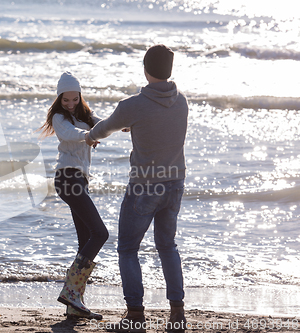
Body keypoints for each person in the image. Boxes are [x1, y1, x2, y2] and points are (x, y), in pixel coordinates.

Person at [86, 45, 188, 332]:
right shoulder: (181, 102)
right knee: (167, 246)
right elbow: (161, 129)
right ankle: (177, 314)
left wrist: (89, 137)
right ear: (170, 70)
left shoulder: (133, 105)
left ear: (145, 69)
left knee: (128, 249)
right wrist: (134, 125)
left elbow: (104, 128)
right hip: (175, 182)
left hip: (145, 185)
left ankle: (135, 315)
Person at [38, 72, 109, 320]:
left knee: (86, 240)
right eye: (65, 100)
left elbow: (103, 124)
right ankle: (70, 292)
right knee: (100, 233)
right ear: (60, 98)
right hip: (67, 179)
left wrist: (126, 124)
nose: (70, 104)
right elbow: (69, 134)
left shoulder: (86, 117)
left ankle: (73, 304)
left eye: (74, 100)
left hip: (79, 181)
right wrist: (88, 136)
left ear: (80, 96)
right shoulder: (60, 117)